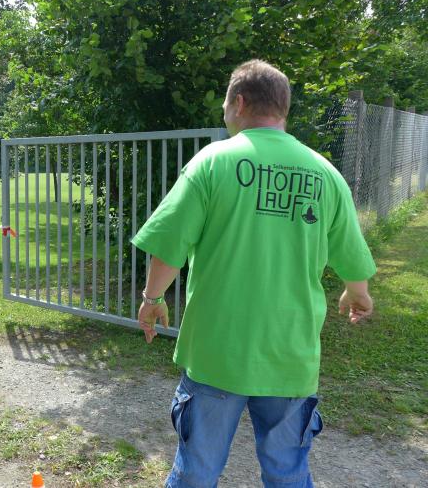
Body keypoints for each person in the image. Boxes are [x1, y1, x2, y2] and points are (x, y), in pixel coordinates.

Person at [132, 60, 376, 487]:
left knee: (196, 471)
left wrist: (153, 299)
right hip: (290, 356)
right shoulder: (325, 174)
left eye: (226, 103)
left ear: (239, 102)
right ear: (283, 109)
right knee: (288, 472)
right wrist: (357, 293)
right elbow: (352, 255)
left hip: (216, 354)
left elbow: (169, 246)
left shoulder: (212, 163)